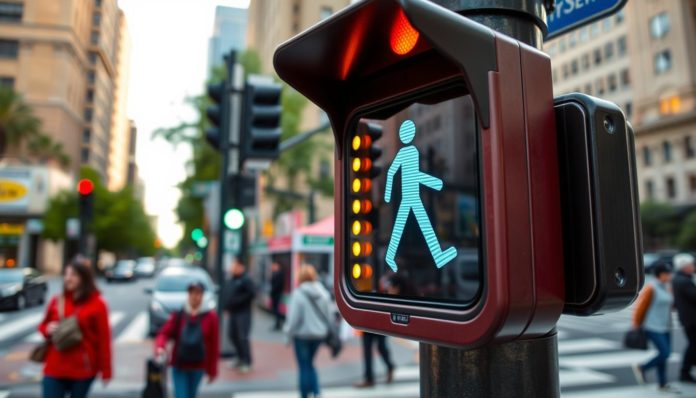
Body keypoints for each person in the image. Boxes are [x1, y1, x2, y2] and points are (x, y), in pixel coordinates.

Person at [38, 258, 112, 398]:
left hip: (83, 369)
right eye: (66, 274)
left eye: (73, 275)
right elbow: (42, 326)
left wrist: (106, 371)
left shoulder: (97, 304)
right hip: (55, 366)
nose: (68, 278)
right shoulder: (57, 300)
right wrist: (47, 329)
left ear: (84, 278)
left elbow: (104, 339)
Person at [155, 281, 219, 398]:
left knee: (191, 395)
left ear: (202, 295)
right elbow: (164, 333)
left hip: (198, 365)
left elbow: (214, 345)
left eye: (198, 293)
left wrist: (212, 371)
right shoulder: (180, 314)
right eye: (192, 293)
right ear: (188, 295)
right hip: (179, 364)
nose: (195, 297)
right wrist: (160, 347)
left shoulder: (210, 317)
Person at [285, 264, 334, 398]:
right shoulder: (323, 293)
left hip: (302, 336)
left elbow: (293, 319)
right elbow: (330, 315)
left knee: (304, 367)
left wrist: (287, 336)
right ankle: (316, 392)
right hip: (319, 335)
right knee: (310, 364)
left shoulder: (298, 293)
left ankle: (304, 395)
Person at [631, 264, 678, 393]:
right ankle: (642, 367)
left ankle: (662, 383)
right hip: (651, 326)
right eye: (667, 273)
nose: (669, 276)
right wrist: (636, 323)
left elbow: (670, 305)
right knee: (665, 352)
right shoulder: (651, 288)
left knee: (664, 356)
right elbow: (641, 307)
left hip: (665, 326)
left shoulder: (667, 287)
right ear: (660, 274)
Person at [224, 259, 256, 373]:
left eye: (235, 266)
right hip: (233, 312)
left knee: (243, 337)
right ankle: (239, 357)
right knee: (232, 335)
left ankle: (247, 361)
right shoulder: (232, 279)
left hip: (243, 313)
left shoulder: (245, 280)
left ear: (241, 267)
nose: (232, 268)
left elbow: (252, 293)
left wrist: (238, 301)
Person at [672, 253, 696, 383]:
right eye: (691, 264)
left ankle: (685, 371)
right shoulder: (685, 281)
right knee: (693, 346)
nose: (693, 266)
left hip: (687, 319)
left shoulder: (678, 279)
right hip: (692, 320)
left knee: (693, 345)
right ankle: (685, 372)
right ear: (684, 266)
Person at [270, 262, 285, 331]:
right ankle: (277, 324)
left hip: (277, 294)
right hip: (275, 294)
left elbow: (277, 285)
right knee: (275, 310)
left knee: (277, 310)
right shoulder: (275, 274)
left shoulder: (279, 274)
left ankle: (278, 324)